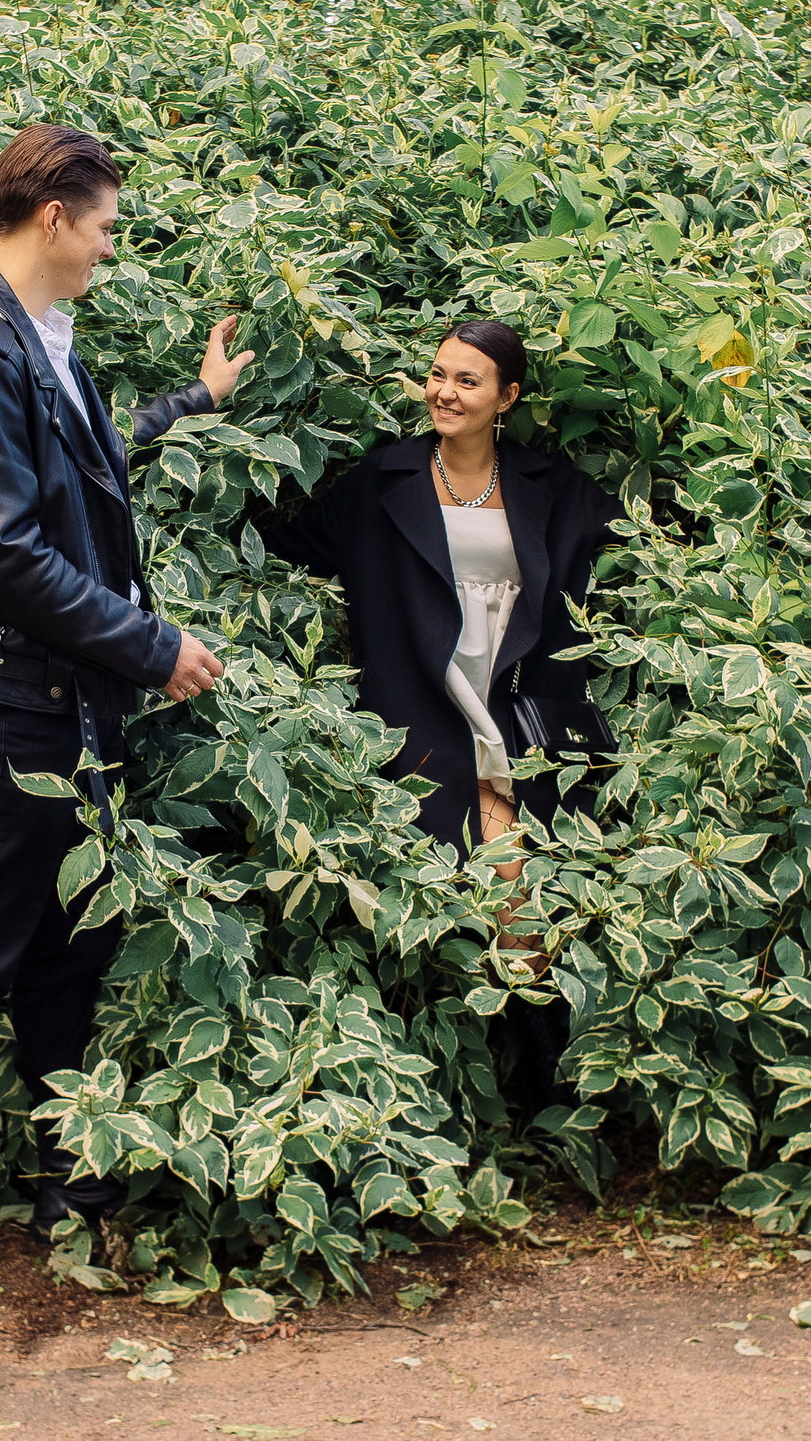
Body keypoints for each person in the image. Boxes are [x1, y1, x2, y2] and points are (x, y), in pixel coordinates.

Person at [0, 124, 255, 1318]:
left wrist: (191, 399)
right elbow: (8, 553)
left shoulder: (36, 342)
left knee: (69, 938)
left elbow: (76, 470)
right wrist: (154, 647)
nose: (110, 250)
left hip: (63, 693)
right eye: (108, 227)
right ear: (55, 217)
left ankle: (64, 1175)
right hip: (9, 694)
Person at [262, 320, 619, 1099]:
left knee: (524, 892)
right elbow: (283, 546)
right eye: (437, 374)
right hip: (422, 712)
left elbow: (642, 543)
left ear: (507, 398)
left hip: (521, 711)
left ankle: (542, 1091)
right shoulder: (380, 482)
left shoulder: (551, 488)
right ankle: (527, 1094)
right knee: (494, 890)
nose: (444, 392)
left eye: (467, 380)